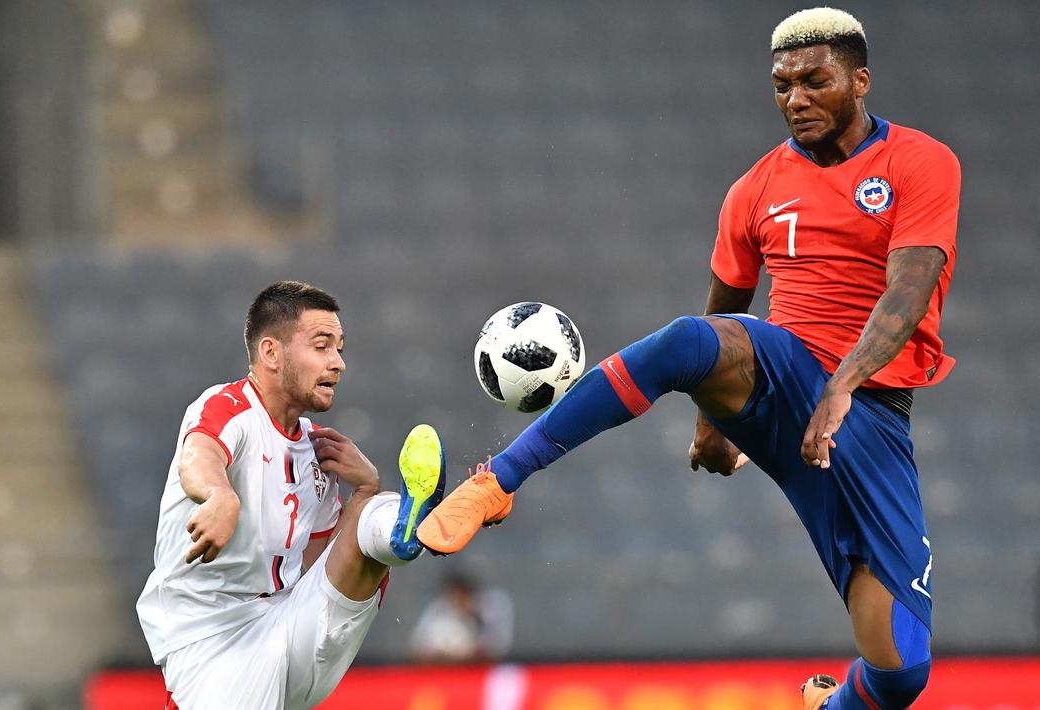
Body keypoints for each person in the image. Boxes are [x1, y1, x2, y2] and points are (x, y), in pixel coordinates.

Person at [417, 8, 959, 709]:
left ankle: (834, 703)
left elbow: (910, 289)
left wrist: (845, 385)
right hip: (787, 374)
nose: (794, 98)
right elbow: (721, 317)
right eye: (780, 85)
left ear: (859, 80)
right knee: (680, 340)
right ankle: (497, 481)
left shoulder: (920, 162)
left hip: (870, 411)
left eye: (813, 81)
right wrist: (714, 417)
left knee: (899, 670)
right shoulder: (755, 190)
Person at [136, 281, 446, 709]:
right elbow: (199, 454)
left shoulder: (320, 450)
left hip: (289, 621)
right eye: (322, 346)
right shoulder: (230, 407)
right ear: (270, 353)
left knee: (373, 511)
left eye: (339, 348)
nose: (337, 363)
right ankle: (397, 526)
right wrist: (219, 497)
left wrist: (364, 491)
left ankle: (405, 529)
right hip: (213, 635)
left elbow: (318, 568)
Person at [409, 572, 515, 664]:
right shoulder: (437, 610)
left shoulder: (485, 612)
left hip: (474, 674)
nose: (459, 598)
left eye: (463, 593)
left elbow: (494, 650)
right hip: (440, 675)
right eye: (455, 594)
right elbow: (419, 648)